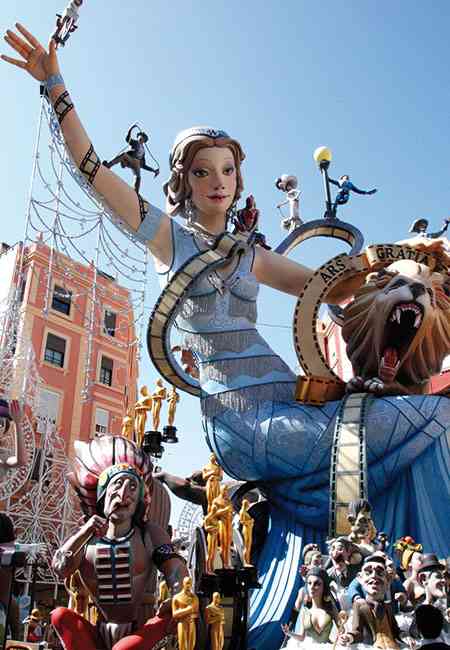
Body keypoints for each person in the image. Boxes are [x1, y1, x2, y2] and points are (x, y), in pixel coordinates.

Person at [2, 25, 450, 649]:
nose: (219, 181)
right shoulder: (169, 238)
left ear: (239, 177)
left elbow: (330, 285)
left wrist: (409, 262)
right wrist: (55, 86)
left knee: (412, 414)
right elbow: (95, 174)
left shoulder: (248, 253)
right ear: (183, 181)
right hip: (242, 420)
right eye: (203, 171)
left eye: (229, 170)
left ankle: (407, 586)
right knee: (425, 418)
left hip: (289, 396)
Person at [50, 435, 188, 650]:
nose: (124, 494)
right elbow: (60, 568)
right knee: (60, 615)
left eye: (132, 487)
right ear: (103, 494)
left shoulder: (149, 534)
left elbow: (175, 568)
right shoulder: (87, 538)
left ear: (139, 501)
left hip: (139, 630)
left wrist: (178, 593)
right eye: (117, 485)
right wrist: (85, 531)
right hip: (99, 628)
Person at [340, 555, 402, 649]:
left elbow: (395, 629)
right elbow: (357, 632)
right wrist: (349, 637)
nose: (374, 576)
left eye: (380, 573)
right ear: (360, 578)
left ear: (388, 580)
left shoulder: (388, 606)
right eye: (368, 573)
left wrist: (404, 635)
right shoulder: (360, 606)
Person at [281, 568, 339, 646]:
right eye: (309, 583)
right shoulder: (305, 612)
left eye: (317, 583)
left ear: (324, 586)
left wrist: (343, 638)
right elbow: (302, 637)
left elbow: (341, 629)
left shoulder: (331, 608)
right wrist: (289, 633)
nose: (312, 587)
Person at [104, 125, 159, 194]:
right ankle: (108, 165)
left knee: (138, 177)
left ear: (144, 141)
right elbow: (127, 139)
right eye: (140, 136)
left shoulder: (143, 151)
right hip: (131, 159)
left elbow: (144, 165)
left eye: (143, 138)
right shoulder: (135, 142)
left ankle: (136, 192)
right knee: (124, 155)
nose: (141, 138)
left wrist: (153, 170)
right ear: (138, 137)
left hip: (137, 163)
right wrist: (131, 129)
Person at [0, 399, 25, 479]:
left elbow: (21, 461)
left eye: (1, 423)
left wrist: (17, 423)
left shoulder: (3, 456)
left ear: (4, 431)